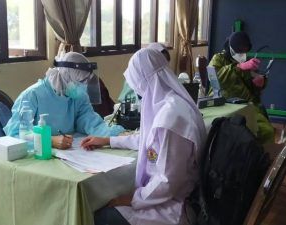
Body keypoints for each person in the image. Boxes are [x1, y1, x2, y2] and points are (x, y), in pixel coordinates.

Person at [81, 48, 207, 225]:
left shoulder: (171, 119)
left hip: (172, 209)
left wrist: (133, 198)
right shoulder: (174, 105)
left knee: (98, 216)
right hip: (172, 198)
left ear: (145, 81)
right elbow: (149, 140)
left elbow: (167, 182)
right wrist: (108, 140)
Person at [3, 52, 125, 149]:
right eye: (81, 82)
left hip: (71, 151)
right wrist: (49, 141)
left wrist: (116, 135)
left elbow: (91, 122)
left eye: (86, 81)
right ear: (66, 77)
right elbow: (14, 134)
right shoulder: (32, 95)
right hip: (38, 153)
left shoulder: (79, 96)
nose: (84, 86)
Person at [209, 31, 274, 144]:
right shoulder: (218, 59)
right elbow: (214, 79)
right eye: (240, 50)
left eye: (245, 51)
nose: (242, 54)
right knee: (260, 132)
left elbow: (253, 86)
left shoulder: (247, 62)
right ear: (231, 48)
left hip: (246, 105)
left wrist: (260, 83)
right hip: (224, 104)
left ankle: (260, 158)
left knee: (266, 132)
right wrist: (239, 67)